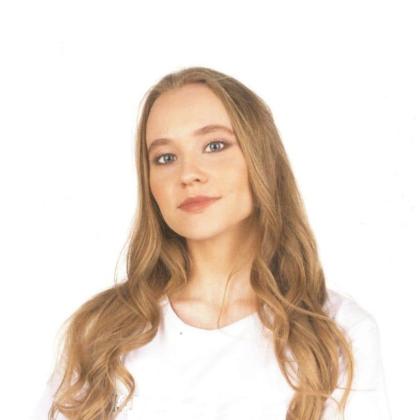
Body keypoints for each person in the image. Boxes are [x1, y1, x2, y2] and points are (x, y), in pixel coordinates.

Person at [31, 66, 391, 419]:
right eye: (165, 158)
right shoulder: (100, 331)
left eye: (214, 145)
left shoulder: (339, 333)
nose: (188, 174)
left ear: (261, 158)